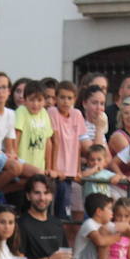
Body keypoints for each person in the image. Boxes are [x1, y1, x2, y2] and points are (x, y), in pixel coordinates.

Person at [48, 80, 87, 221]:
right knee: (56, 209)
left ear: (75, 99)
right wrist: (54, 168)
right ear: (56, 98)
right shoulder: (52, 112)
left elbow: (78, 144)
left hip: (70, 172)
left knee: (65, 209)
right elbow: (55, 140)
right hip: (57, 171)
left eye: (69, 98)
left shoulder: (77, 115)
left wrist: (77, 170)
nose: (65, 101)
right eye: (62, 97)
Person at [14, 84, 55, 175]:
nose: (35, 104)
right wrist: (15, 160)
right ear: (25, 100)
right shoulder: (21, 111)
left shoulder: (44, 113)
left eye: (39, 100)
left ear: (44, 101)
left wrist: (48, 167)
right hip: (23, 163)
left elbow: (48, 142)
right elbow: (16, 137)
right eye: (31, 100)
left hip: (39, 165)